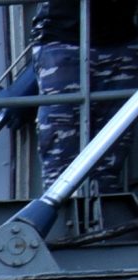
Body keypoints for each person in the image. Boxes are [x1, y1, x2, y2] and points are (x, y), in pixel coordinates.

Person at [31, 1, 138, 189]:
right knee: (61, 164)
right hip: (63, 42)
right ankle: (63, 214)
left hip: (121, 43)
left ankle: (105, 212)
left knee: (109, 160)